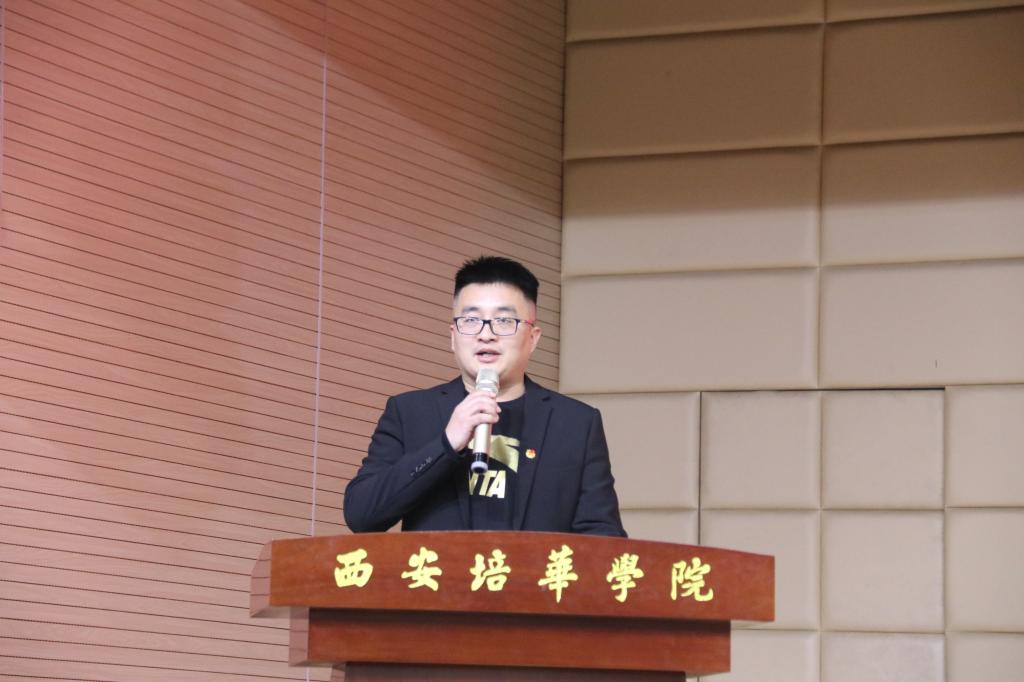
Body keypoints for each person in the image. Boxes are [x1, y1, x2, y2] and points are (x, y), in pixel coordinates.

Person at [343, 255, 625, 537]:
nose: (486, 335)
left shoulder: (575, 424)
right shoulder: (409, 412)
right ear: (453, 337)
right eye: (471, 320)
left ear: (533, 338)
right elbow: (361, 515)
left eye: (503, 321)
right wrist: (446, 444)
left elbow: (603, 538)